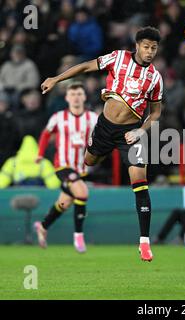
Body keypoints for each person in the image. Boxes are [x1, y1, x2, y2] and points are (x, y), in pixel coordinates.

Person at [40, 27, 163, 261]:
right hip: (104, 128)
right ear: (137, 46)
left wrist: (140, 131)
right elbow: (86, 66)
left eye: (153, 48)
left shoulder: (155, 78)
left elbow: (156, 113)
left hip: (131, 134)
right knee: (88, 162)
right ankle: (68, 191)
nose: (149, 52)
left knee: (140, 182)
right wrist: (56, 79)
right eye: (146, 47)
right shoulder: (118, 58)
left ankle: (144, 242)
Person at [34, 82, 98, 253]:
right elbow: (46, 133)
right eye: (73, 94)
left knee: (64, 202)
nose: (76, 97)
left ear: (84, 97)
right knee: (83, 193)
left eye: (79, 94)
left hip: (81, 168)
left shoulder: (92, 118)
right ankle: (78, 236)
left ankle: (43, 225)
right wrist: (40, 154)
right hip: (62, 165)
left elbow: (101, 136)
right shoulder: (59, 117)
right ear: (67, 98)